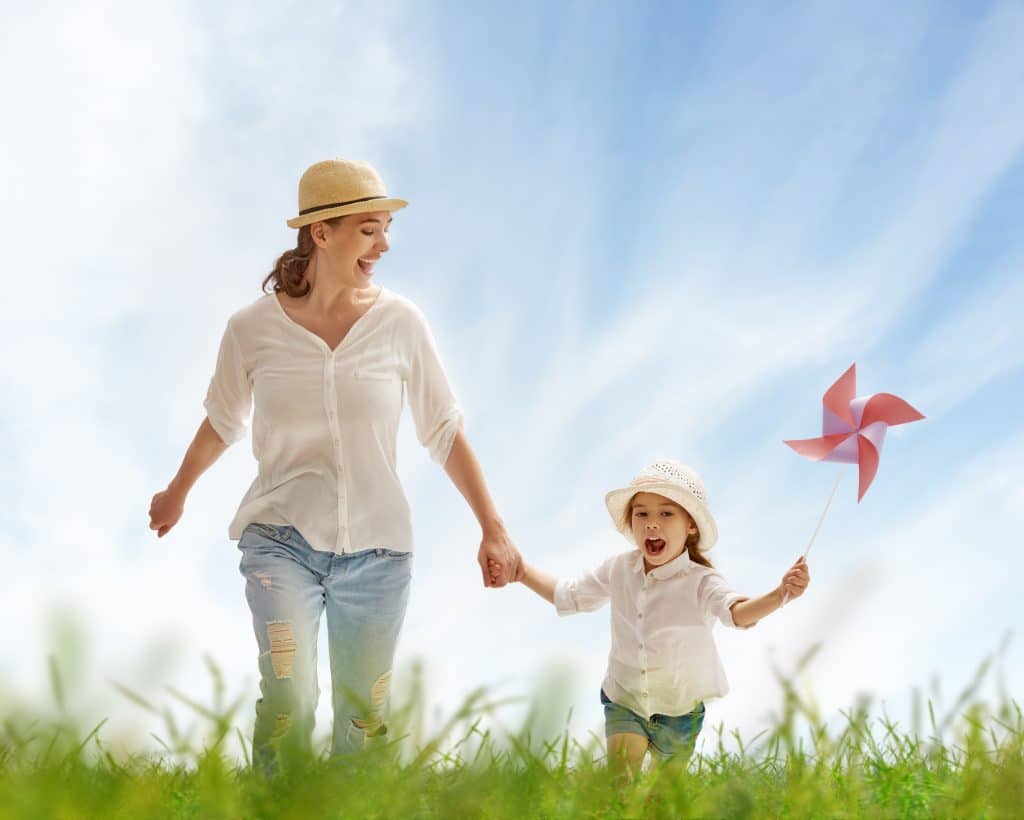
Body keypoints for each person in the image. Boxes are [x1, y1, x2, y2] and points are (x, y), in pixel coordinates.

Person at [148, 158, 522, 773]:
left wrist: (493, 526)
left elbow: (443, 430)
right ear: (322, 233)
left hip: (378, 554)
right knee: (290, 697)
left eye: (384, 228)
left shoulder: (401, 324)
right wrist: (177, 491)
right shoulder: (251, 328)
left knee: (363, 719)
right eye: (369, 228)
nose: (383, 244)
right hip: (279, 541)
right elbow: (222, 420)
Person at [501, 458, 809, 779]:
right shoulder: (619, 568)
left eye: (666, 513)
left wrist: (779, 594)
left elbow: (737, 614)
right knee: (621, 784)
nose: (651, 523)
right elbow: (571, 594)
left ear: (691, 525)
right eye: (642, 513)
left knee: (661, 803)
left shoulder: (702, 581)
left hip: (680, 711)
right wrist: (522, 572)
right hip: (625, 698)